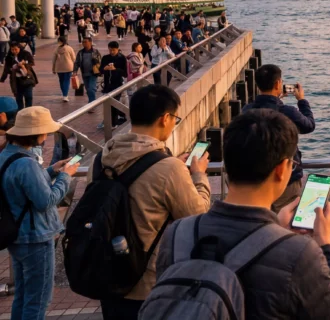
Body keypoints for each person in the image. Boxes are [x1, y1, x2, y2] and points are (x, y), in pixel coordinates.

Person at [153, 109, 330, 319]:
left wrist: (276, 231)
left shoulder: (177, 234)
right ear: (281, 170)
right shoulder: (299, 253)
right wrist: (326, 245)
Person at [93, 85, 212, 318]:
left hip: (107, 275)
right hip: (146, 283)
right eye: (175, 118)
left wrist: (169, 164)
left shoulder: (103, 158)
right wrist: (198, 176)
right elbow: (198, 216)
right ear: (165, 118)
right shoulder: (168, 169)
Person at [0, 107, 79, 320]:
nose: (46, 136)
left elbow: (23, 186)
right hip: (35, 238)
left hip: (16, 235)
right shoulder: (27, 163)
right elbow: (46, 201)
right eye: (45, 131)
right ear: (35, 134)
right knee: (38, 301)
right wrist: (65, 176)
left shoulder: (6, 154)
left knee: (23, 295)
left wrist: (52, 170)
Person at [242, 64, 316, 212]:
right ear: (277, 84)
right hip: (285, 180)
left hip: (257, 180)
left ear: (257, 84)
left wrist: (275, 98)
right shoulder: (287, 112)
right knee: (287, 226)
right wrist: (301, 100)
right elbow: (309, 125)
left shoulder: (247, 110)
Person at [2, 43, 37, 110]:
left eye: (16, 49)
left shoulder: (26, 54)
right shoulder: (9, 57)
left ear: (19, 48)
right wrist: (3, 78)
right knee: (18, 98)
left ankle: (28, 111)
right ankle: (20, 113)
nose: (14, 51)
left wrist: (24, 64)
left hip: (27, 78)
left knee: (28, 96)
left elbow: (32, 63)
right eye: (12, 50)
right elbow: (6, 68)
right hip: (16, 80)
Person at [74, 38, 101, 104]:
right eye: (83, 42)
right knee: (88, 89)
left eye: (86, 42)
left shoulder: (95, 51)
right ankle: (91, 101)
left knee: (91, 89)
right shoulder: (80, 52)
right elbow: (77, 62)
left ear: (90, 42)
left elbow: (100, 62)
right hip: (84, 73)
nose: (84, 43)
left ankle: (92, 104)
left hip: (93, 73)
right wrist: (75, 71)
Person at [51, 36, 76, 103]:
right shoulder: (69, 48)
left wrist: (53, 68)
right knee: (66, 81)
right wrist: (75, 68)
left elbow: (53, 60)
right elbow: (74, 58)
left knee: (61, 81)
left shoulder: (56, 49)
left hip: (59, 68)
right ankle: (65, 95)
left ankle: (64, 94)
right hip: (69, 67)